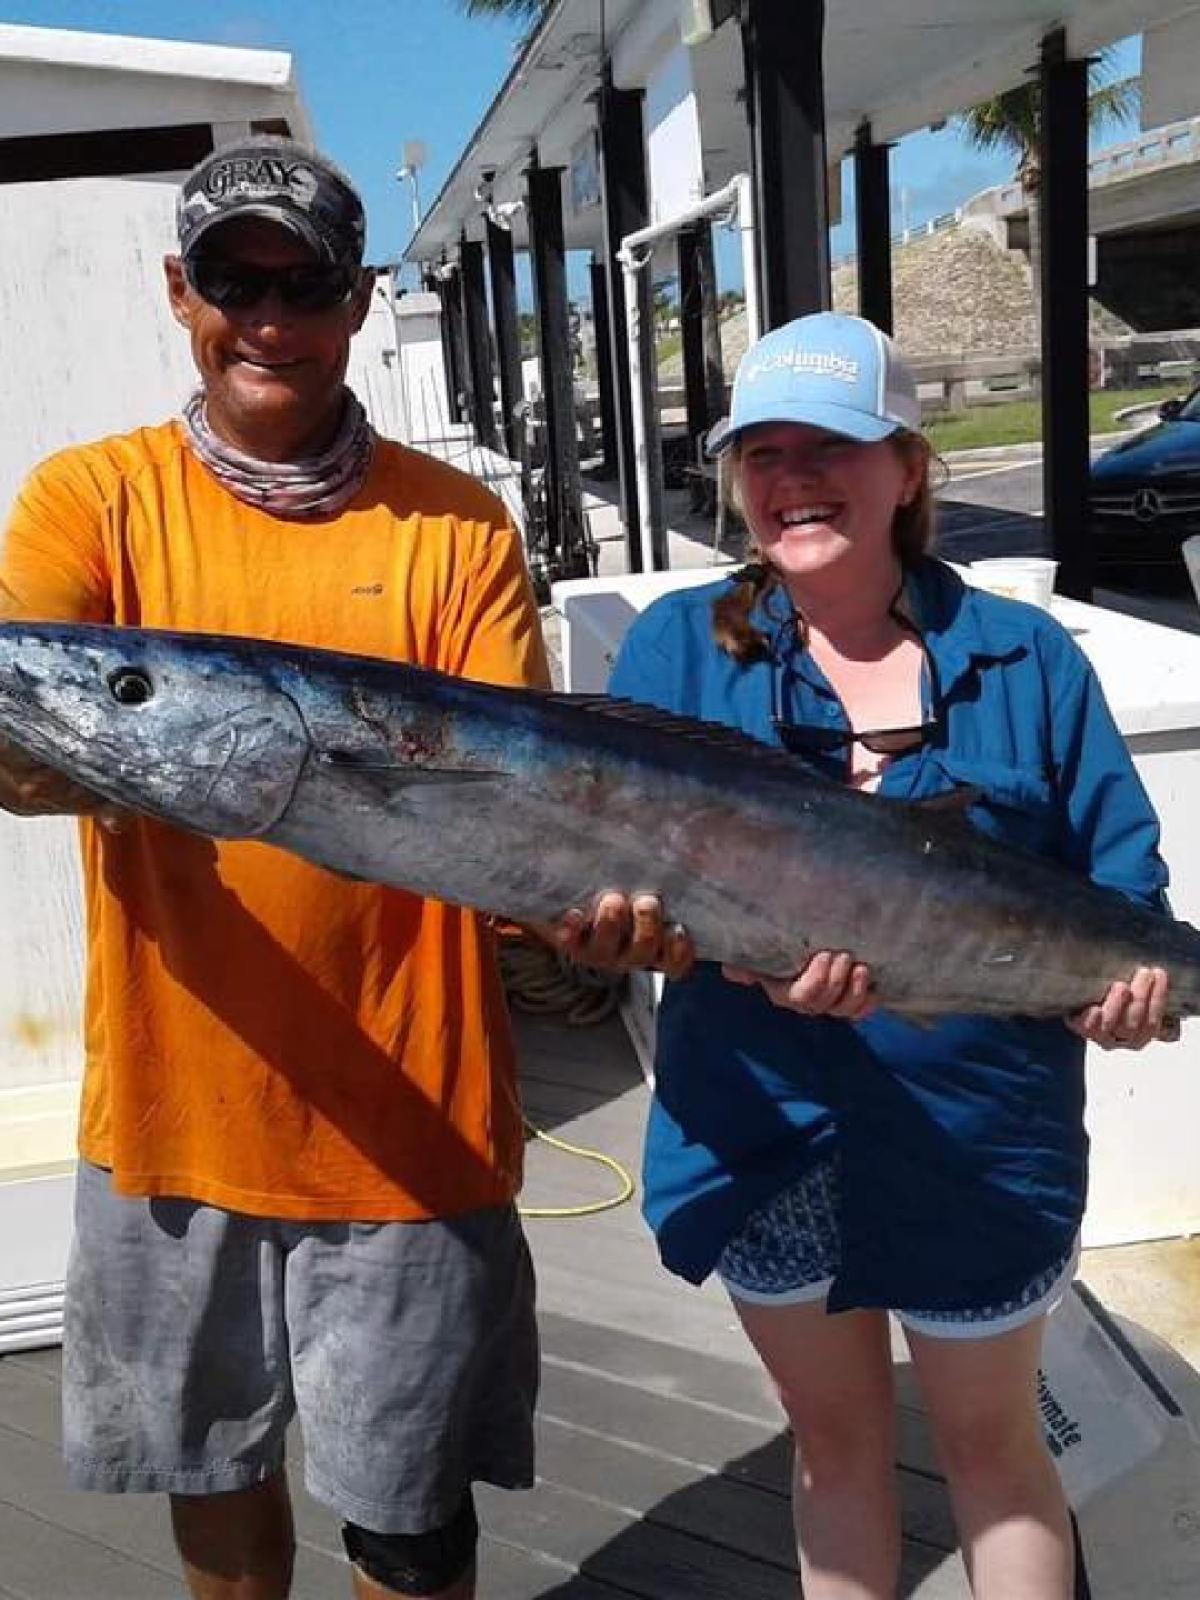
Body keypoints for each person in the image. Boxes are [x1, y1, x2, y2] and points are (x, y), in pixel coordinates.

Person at [0, 136, 549, 1600]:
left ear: (357, 302)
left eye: (302, 280)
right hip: (180, 1124)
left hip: (415, 1125)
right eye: (235, 277)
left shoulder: (459, 526)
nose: (269, 315)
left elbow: (523, 823)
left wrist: (593, 923)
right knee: (216, 1497)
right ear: (180, 291)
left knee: (410, 1527)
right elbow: (21, 733)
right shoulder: (90, 503)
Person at [589, 311, 1177, 1600]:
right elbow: (625, 880)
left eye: (834, 447)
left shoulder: (1027, 657)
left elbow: (1122, 883)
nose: (794, 478)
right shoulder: (676, 652)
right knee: (835, 1445)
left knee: (992, 1450)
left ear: (909, 465)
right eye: (764, 452)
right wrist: (633, 937)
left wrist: (1121, 996)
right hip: (763, 1129)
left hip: (979, 1140)